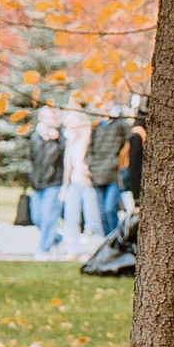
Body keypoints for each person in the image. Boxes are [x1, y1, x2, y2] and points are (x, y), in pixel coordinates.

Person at [60, 108, 102, 256]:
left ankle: (99, 252)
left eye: (72, 123)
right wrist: (64, 188)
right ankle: (73, 251)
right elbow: (68, 166)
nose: (70, 127)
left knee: (93, 220)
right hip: (74, 183)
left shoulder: (91, 138)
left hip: (89, 184)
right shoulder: (71, 140)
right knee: (70, 218)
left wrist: (89, 170)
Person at [28, 105, 65, 260]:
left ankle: (43, 250)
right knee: (37, 218)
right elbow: (31, 159)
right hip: (37, 184)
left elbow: (63, 160)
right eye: (47, 117)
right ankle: (57, 238)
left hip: (54, 183)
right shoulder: (35, 136)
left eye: (52, 117)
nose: (50, 121)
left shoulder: (62, 137)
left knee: (49, 216)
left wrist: (57, 140)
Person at [88, 108, 132, 238]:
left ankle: (116, 238)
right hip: (97, 174)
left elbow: (127, 145)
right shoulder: (96, 127)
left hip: (114, 174)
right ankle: (108, 239)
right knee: (102, 212)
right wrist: (92, 165)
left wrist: (117, 163)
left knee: (109, 209)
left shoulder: (121, 125)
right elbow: (90, 149)